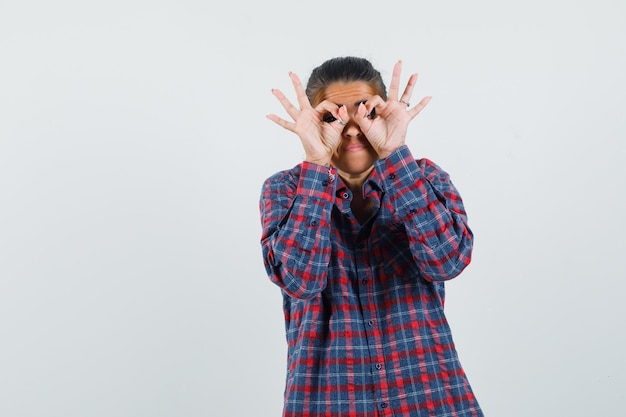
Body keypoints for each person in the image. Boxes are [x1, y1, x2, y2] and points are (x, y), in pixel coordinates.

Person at [259, 56, 483, 417]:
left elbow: (448, 260)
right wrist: (316, 161)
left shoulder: (425, 177)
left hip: (432, 401)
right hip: (329, 404)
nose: (350, 128)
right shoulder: (285, 190)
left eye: (365, 113)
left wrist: (394, 153)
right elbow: (299, 280)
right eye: (332, 116)